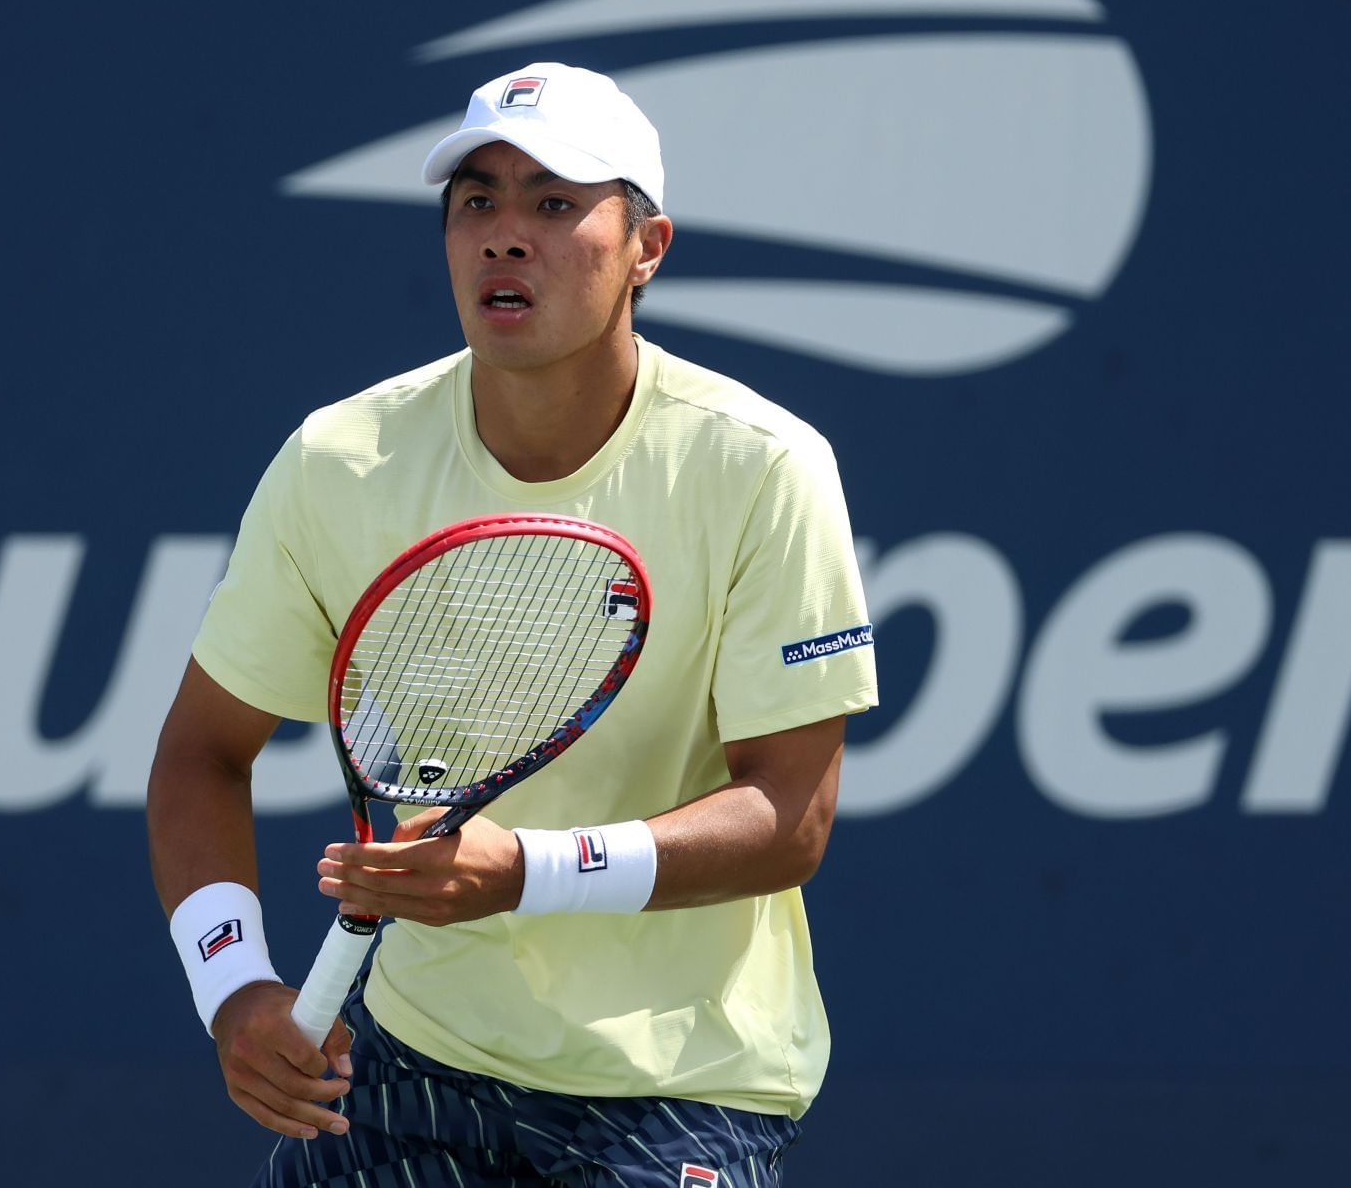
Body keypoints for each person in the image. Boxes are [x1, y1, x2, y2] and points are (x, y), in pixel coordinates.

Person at [148, 62, 879, 1187]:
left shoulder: (765, 466)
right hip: (411, 1062)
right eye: (476, 200)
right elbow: (201, 752)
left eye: (554, 202)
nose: (503, 234)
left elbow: (792, 817)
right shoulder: (340, 460)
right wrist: (233, 985)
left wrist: (528, 870)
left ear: (647, 247)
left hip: (678, 1090)